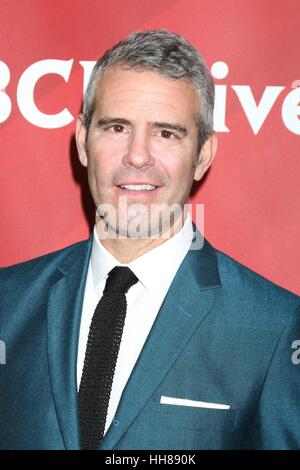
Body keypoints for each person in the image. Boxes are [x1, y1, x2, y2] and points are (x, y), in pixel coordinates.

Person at [0, 30, 299, 451]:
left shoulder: (274, 328)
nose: (137, 156)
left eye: (166, 134)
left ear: (204, 155)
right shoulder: (8, 302)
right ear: (84, 140)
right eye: (117, 127)